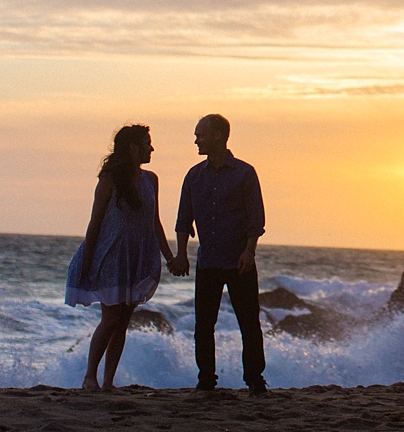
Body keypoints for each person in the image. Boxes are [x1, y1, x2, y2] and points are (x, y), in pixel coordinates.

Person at [65, 123, 181, 392]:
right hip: (112, 254)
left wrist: (169, 257)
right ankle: (89, 377)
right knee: (111, 318)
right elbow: (95, 221)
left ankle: (108, 381)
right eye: (146, 142)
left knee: (123, 321)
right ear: (132, 147)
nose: (151, 148)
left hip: (138, 256)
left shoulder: (151, 180)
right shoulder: (110, 178)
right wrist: (87, 261)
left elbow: (155, 222)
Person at [171, 113, 267, 395]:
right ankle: (206, 380)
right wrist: (181, 254)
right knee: (203, 325)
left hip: (240, 262)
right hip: (208, 261)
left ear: (218, 136)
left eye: (200, 135)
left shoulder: (245, 173)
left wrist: (249, 252)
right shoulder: (194, 175)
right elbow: (183, 220)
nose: (196, 140)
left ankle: (255, 379)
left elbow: (255, 219)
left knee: (249, 324)